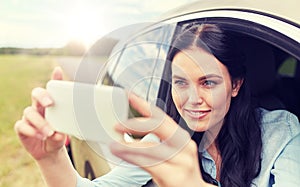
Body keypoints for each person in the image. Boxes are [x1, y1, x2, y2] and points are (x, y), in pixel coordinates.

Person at [15, 23, 300, 187]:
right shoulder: (165, 140)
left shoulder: (281, 133)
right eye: (180, 83)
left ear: (235, 85)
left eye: (208, 83)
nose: (192, 100)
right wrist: (49, 159)